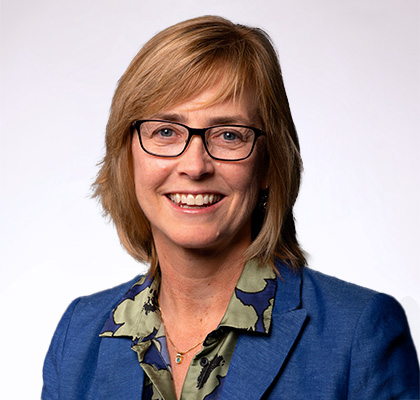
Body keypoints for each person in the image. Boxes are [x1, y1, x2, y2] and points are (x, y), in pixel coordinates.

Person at [42, 15, 419, 400]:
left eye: (228, 135)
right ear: (128, 156)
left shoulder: (357, 335)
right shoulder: (78, 336)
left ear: (270, 164)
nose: (194, 166)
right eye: (166, 131)